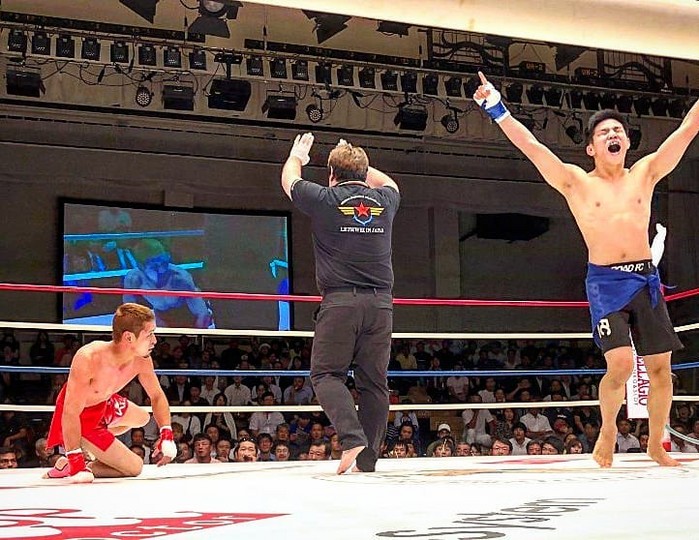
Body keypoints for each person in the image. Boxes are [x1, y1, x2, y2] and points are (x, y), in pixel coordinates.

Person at [473, 71, 699, 468]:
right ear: (592, 147)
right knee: (621, 364)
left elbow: (687, 129)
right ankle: (608, 430)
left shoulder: (645, 173)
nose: (613, 134)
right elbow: (532, 147)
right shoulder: (576, 182)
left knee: (662, 369)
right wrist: (496, 109)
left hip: (646, 278)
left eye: (618, 130)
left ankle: (654, 444)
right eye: (604, 132)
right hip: (606, 282)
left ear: (626, 142)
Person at [281, 133, 400, 474]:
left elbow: (289, 180)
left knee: (325, 374)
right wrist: (355, 162)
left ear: (331, 175)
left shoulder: (325, 199)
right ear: (364, 174)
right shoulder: (385, 200)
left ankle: (351, 438)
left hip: (341, 302)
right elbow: (390, 182)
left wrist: (298, 155)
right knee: (374, 382)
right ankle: (368, 458)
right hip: (381, 305)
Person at [44, 303, 176, 482]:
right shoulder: (89, 357)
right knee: (135, 467)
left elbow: (157, 395)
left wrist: (166, 433)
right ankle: (76, 460)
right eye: (149, 334)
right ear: (129, 337)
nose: (154, 341)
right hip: (81, 415)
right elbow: (70, 411)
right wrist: (76, 461)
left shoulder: (142, 360)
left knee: (142, 418)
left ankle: (92, 446)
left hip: (104, 403)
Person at [123, 239, 214, 329]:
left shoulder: (179, 278)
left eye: (164, 263)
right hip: (160, 316)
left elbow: (202, 314)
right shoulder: (134, 279)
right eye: (155, 266)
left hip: (188, 314)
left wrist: (198, 334)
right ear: (141, 267)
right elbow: (129, 312)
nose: (162, 270)